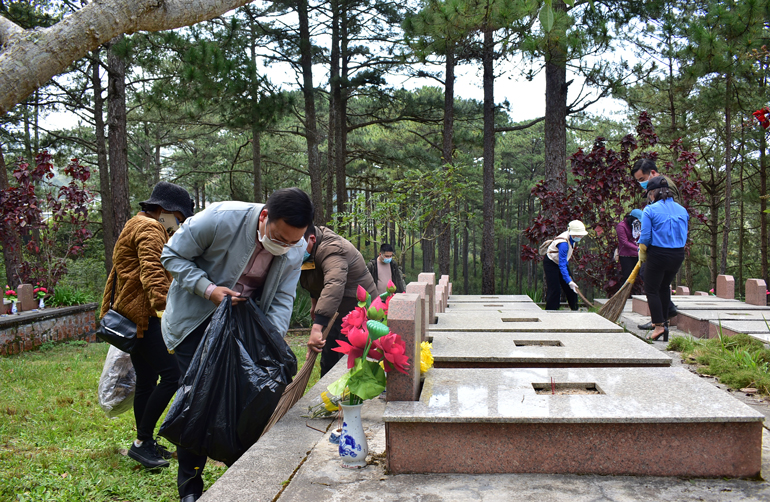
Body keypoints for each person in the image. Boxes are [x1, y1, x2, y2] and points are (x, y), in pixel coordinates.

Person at [160, 187, 313, 502]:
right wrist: (210, 289)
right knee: (198, 398)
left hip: (244, 327)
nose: (285, 246)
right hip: (196, 319)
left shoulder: (295, 248)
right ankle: (190, 486)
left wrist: (270, 340)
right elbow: (171, 255)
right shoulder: (220, 218)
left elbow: (284, 297)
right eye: (279, 238)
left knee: (246, 398)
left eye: (292, 241)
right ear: (265, 216)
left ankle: (239, 474)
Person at [99, 181, 194, 470]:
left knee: (147, 379)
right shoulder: (150, 228)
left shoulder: (136, 224)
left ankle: (145, 442)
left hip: (133, 315)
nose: (178, 225)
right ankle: (141, 443)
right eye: (179, 218)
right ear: (165, 210)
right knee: (173, 375)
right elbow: (152, 270)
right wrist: (166, 310)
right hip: (144, 316)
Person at [301, 225, 378, 377]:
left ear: (312, 239)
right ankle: (329, 396)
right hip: (335, 308)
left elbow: (334, 284)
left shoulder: (333, 248)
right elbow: (313, 278)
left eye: (296, 246)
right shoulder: (310, 250)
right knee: (328, 355)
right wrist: (314, 304)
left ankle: (352, 396)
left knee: (347, 357)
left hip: (357, 307)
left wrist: (317, 328)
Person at [637, 176, 689, 342]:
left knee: (651, 289)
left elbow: (645, 236)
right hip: (678, 254)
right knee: (664, 286)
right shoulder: (682, 210)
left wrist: (642, 250)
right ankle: (663, 322)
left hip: (658, 253)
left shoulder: (650, 210)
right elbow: (684, 233)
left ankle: (659, 326)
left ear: (652, 194)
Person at [631, 158, 680, 328]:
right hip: (662, 243)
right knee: (654, 280)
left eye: (642, 179)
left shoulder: (665, 186)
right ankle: (661, 317)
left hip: (663, 243)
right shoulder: (656, 187)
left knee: (652, 283)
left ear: (652, 173)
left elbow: (668, 216)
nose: (641, 184)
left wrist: (646, 243)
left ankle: (660, 319)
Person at [543, 220, 588, 311]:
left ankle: (575, 309)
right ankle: (551, 312)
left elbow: (563, 262)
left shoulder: (572, 238)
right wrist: (568, 280)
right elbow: (562, 265)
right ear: (574, 234)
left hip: (561, 263)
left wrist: (570, 282)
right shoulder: (563, 243)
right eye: (580, 235)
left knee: (572, 288)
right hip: (551, 263)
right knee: (555, 290)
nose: (582, 236)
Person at [615, 209, 643, 285]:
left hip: (638, 255)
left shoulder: (637, 226)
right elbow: (624, 242)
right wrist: (637, 248)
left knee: (643, 276)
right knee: (627, 277)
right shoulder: (621, 226)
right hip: (626, 256)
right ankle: (625, 295)